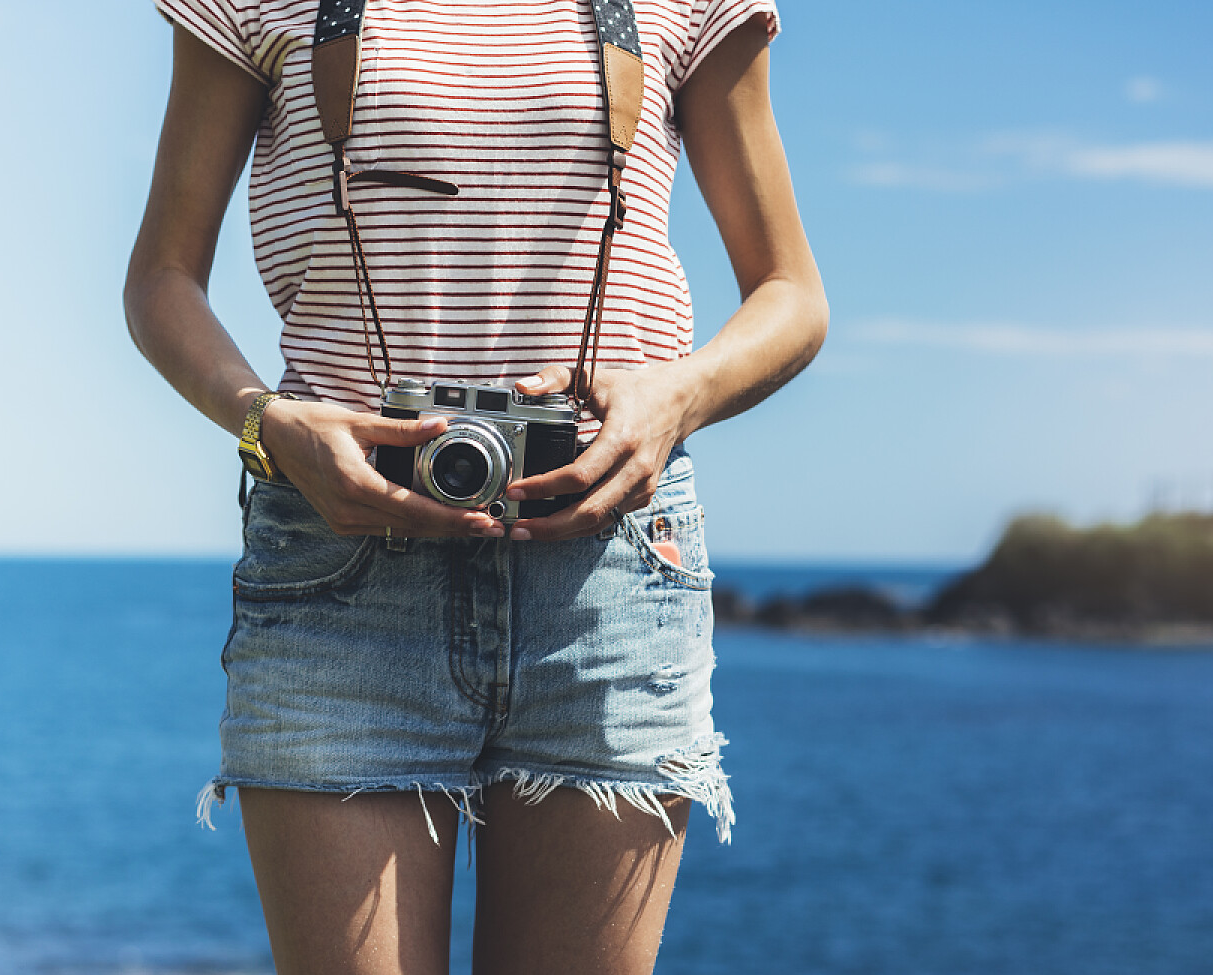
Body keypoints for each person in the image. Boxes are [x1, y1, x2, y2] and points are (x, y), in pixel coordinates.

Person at [123, 0, 826, 969]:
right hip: (338, 566)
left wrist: (677, 398)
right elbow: (162, 278)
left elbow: (792, 293)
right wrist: (266, 423)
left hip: (608, 575)